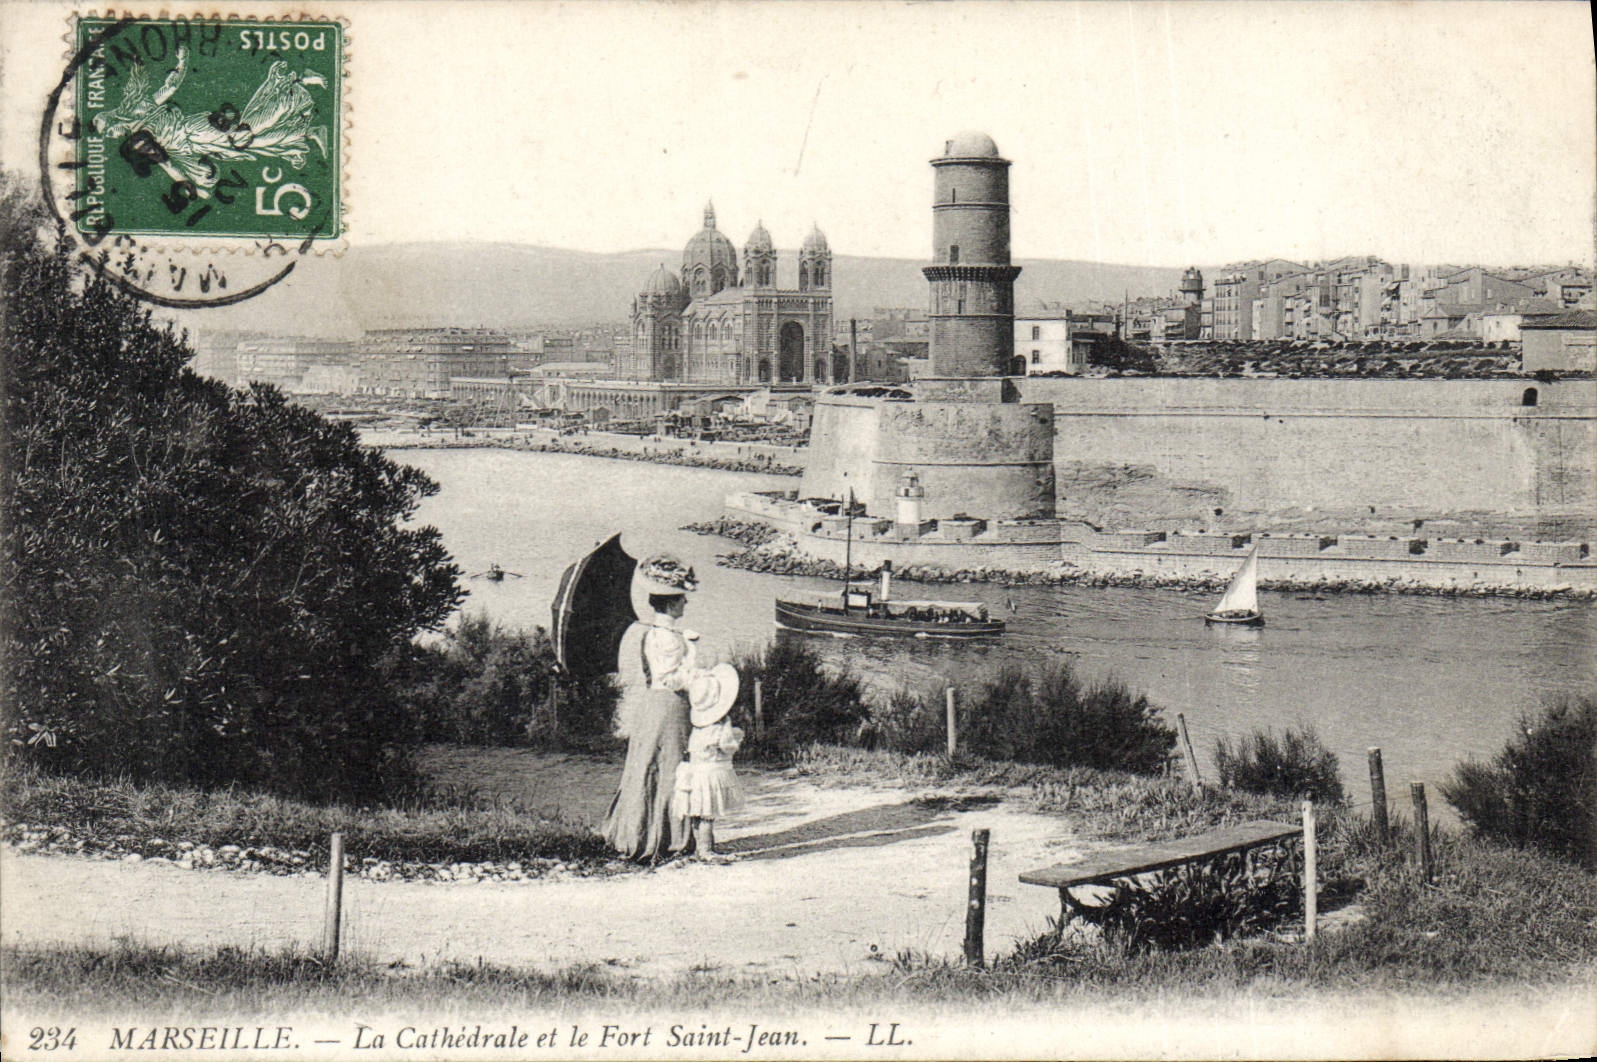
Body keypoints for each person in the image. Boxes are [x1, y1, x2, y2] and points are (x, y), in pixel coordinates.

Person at [601, 555, 706, 861]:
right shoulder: (669, 639)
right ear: (672, 604)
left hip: (651, 705)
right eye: (682, 599)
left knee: (649, 762)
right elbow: (672, 678)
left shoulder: (656, 634)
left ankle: (643, 832)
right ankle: (666, 839)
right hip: (669, 706)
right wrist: (697, 671)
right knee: (671, 765)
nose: (686, 603)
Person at [672, 663, 745, 861]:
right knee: (707, 816)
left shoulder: (698, 728)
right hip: (711, 775)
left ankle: (701, 847)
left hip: (695, 774)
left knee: (698, 813)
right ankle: (706, 850)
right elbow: (728, 746)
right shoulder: (720, 727)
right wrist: (736, 734)